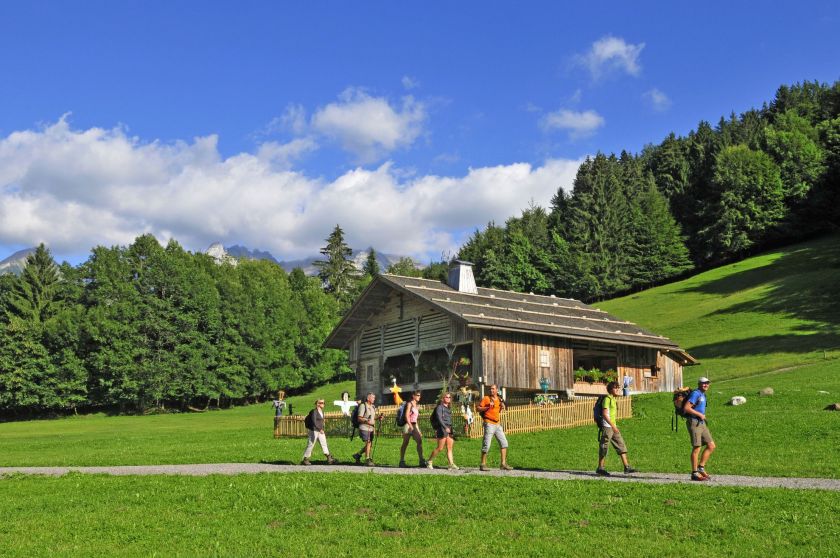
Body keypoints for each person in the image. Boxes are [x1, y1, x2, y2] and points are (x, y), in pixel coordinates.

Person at [595, 381, 637, 476]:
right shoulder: (607, 399)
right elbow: (605, 415)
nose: (617, 389)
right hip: (607, 426)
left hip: (613, 426)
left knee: (620, 444)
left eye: (618, 387)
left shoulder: (613, 399)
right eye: (615, 388)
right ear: (610, 389)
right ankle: (600, 468)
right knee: (604, 447)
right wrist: (613, 426)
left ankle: (627, 467)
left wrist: (614, 426)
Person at [685, 376, 715, 481]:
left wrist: (702, 416)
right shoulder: (696, 393)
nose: (706, 385)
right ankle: (694, 473)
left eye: (707, 383)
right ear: (699, 384)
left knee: (711, 445)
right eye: (703, 383)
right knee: (697, 447)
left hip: (701, 423)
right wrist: (699, 414)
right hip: (694, 422)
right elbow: (686, 408)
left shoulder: (703, 395)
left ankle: (701, 467)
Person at [477, 384, 512, 471]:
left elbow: (499, 409)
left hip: (497, 424)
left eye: (493, 389)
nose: (491, 390)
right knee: (487, 444)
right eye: (490, 389)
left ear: (497, 390)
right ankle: (483, 464)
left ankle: (503, 464)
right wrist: (487, 407)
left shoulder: (499, 399)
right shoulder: (486, 398)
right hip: (489, 423)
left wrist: (503, 406)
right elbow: (478, 408)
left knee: (504, 443)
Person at [426, 392, 458, 470]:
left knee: (449, 447)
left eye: (449, 397)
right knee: (440, 448)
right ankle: (429, 461)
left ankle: (451, 464)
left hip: (449, 428)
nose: (448, 398)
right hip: (442, 428)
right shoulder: (439, 407)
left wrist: (449, 428)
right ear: (443, 398)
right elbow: (439, 418)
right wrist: (444, 427)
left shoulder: (448, 408)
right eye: (446, 397)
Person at [301, 399, 336, 465]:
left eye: (324, 403)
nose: (323, 404)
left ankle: (329, 458)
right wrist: (319, 429)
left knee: (324, 443)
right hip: (314, 430)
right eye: (322, 403)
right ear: (317, 404)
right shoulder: (314, 411)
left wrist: (321, 429)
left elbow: (321, 421)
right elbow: (314, 421)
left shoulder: (321, 412)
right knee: (311, 444)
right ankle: (305, 459)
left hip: (320, 431)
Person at [398, 391, 425, 467]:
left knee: (419, 441)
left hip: (414, 425)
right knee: (405, 443)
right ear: (413, 396)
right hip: (408, 425)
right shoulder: (409, 404)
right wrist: (410, 426)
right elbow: (407, 416)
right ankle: (402, 461)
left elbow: (415, 419)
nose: (419, 397)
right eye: (418, 395)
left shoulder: (416, 405)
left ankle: (421, 460)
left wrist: (418, 430)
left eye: (420, 395)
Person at [352, 392, 377, 467]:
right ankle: (367, 459)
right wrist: (366, 421)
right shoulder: (363, 406)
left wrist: (378, 418)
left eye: (374, 398)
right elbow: (359, 418)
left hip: (371, 428)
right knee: (368, 442)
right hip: (364, 427)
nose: (374, 399)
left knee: (370, 444)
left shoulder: (372, 406)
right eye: (373, 397)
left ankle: (358, 455)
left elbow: (372, 418)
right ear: (368, 398)